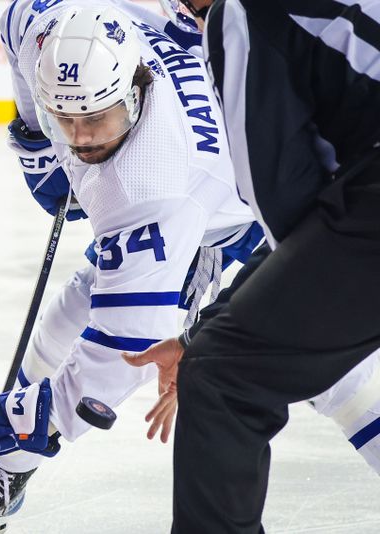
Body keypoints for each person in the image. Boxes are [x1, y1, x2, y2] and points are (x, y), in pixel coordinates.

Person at [0, 2, 380, 533]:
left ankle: (8, 466)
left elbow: (124, 352)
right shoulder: (46, 19)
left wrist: (36, 419)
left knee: (321, 372)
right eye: (64, 119)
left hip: (231, 218)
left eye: (97, 119)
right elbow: (14, 26)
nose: (81, 140)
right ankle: (6, 475)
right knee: (76, 305)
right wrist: (35, 136)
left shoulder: (148, 189)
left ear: (135, 90)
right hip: (259, 182)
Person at [123, 0, 380, 532]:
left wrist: (210, 339)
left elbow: (283, 203)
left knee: (222, 379)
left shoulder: (241, 10)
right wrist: (212, 325)